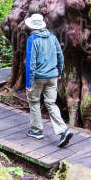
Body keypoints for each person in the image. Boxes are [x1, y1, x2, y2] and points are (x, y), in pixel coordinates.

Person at [24, 13, 72, 147]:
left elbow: (30, 63)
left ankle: (36, 130)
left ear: (32, 26)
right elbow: (60, 56)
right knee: (51, 104)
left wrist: (28, 83)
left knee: (34, 102)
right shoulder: (52, 37)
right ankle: (63, 130)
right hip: (52, 77)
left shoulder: (32, 39)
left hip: (38, 78)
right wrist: (59, 72)